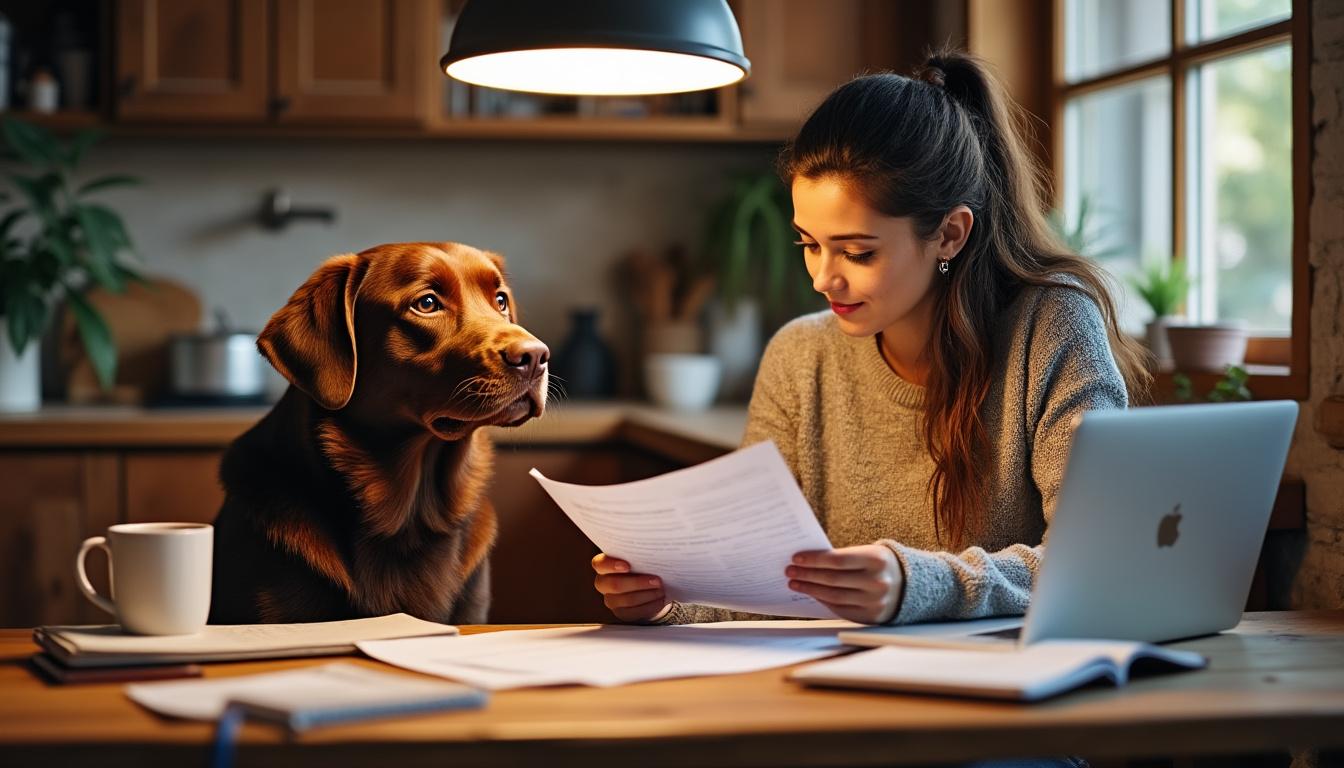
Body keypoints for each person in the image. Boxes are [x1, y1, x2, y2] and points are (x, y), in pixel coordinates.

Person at [592, 50, 1151, 628]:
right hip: (825, 688)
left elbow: (1101, 557)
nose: (822, 278)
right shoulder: (799, 355)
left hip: (1005, 692)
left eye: (858, 253)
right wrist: (669, 597)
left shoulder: (1051, 325)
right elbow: (754, 576)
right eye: (808, 243)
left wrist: (918, 584)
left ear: (950, 235)